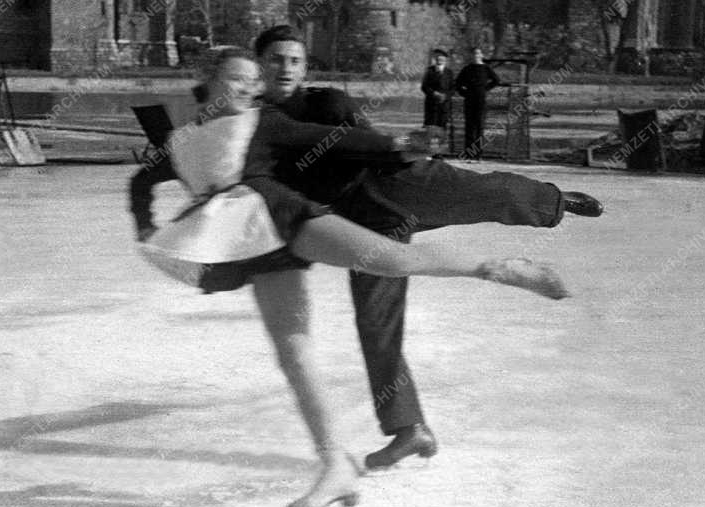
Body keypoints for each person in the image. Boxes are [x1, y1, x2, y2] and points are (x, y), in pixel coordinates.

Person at [128, 49, 570, 507]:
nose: (248, 88)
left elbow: (332, 139)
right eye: (238, 79)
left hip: (285, 216)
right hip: (245, 245)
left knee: (392, 261)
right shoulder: (182, 140)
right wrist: (144, 226)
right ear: (208, 79)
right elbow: (142, 180)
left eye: (253, 81)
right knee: (293, 352)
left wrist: (400, 145)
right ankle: (335, 465)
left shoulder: (263, 122)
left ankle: (497, 266)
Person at [252, 25, 603, 472]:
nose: (285, 68)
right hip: (359, 226)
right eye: (276, 59)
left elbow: (370, 143)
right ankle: (409, 429)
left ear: (305, 67)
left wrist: (406, 151)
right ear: (260, 64)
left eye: (294, 60)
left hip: (397, 186)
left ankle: (557, 201)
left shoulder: (326, 103)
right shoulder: (256, 122)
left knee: (483, 193)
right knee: (376, 322)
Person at [455, 46, 500, 159]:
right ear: (472, 56)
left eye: (478, 53)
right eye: (474, 54)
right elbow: (457, 83)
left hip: (480, 100)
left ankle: (478, 154)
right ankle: (469, 154)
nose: (476, 55)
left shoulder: (486, 68)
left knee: (479, 126)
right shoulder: (467, 68)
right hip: (469, 100)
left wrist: (484, 90)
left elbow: (496, 80)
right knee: (469, 127)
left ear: (481, 55)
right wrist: (464, 93)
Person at [420, 49, 455, 149]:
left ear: (445, 59)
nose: (440, 59)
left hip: (444, 105)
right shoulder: (429, 70)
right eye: (438, 57)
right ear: (436, 58)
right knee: (432, 127)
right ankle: (433, 150)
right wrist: (434, 93)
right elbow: (424, 87)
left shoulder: (449, 72)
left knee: (442, 127)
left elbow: (453, 88)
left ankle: (439, 151)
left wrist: (445, 96)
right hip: (432, 105)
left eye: (443, 57)